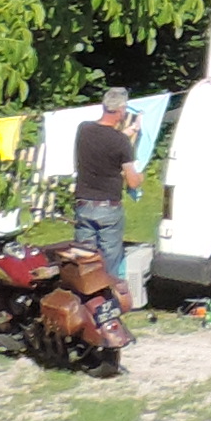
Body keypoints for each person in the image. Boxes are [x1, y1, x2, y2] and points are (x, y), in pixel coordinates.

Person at [67, 96, 136, 290]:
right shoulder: (121, 142)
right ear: (121, 111)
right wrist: (140, 177)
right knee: (109, 263)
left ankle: (85, 297)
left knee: (84, 261)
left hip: (84, 204)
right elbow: (132, 181)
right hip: (108, 208)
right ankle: (108, 298)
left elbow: (104, 140)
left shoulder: (84, 129)